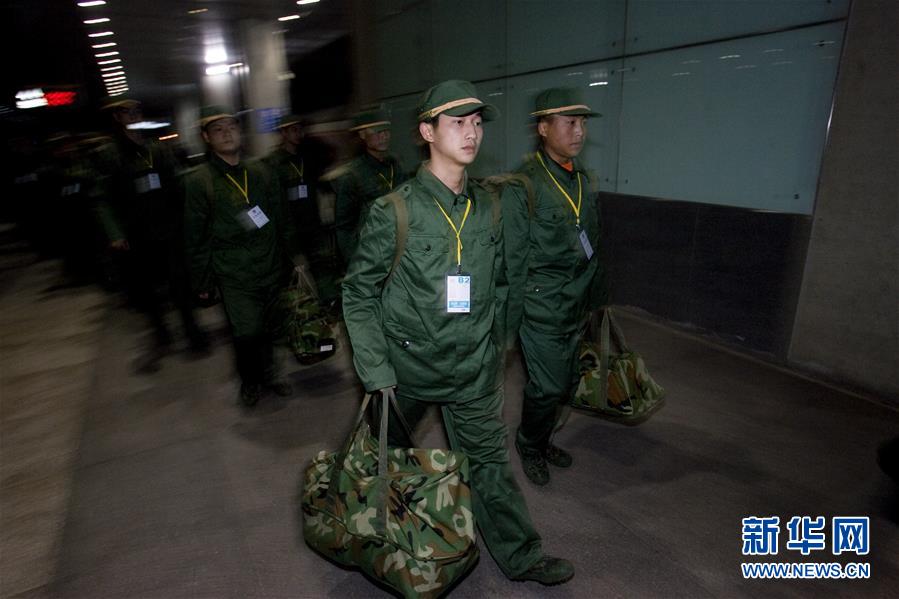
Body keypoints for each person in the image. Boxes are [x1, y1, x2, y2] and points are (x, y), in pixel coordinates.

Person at [342, 80, 574, 586]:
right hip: (405, 373)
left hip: (472, 368)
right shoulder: (395, 211)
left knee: (491, 466)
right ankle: (361, 538)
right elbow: (358, 294)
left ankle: (521, 557)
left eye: (476, 123)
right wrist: (377, 372)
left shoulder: (489, 206)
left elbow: (505, 284)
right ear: (427, 131)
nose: (471, 133)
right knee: (378, 462)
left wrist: (499, 348)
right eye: (457, 122)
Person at [503, 88, 609, 486]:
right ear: (543, 128)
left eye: (582, 123)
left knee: (565, 382)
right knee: (546, 386)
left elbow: (593, 243)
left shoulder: (583, 178)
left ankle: (543, 437)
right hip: (541, 306)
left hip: (576, 303)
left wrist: (597, 302)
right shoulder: (523, 185)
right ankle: (529, 444)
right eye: (569, 122)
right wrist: (508, 324)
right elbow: (513, 259)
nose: (579, 131)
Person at [183, 106, 300, 407]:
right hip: (234, 273)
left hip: (271, 265)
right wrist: (202, 281)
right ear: (206, 137)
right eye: (217, 129)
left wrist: (291, 259)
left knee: (273, 326)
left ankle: (272, 374)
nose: (226, 132)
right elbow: (195, 236)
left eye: (231, 126)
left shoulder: (261, 171)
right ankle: (250, 380)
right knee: (247, 332)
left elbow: (282, 218)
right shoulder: (200, 181)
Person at [91, 97, 208, 373]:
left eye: (136, 110)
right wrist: (115, 233)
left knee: (180, 284)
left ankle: (192, 332)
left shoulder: (156, 148)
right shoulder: (109, 155)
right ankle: (161, 335)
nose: (133, 115)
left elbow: (178, 181)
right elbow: (101, 198)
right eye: (126, 112)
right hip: (136, 233)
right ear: (117, 118)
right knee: (147, 289)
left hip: (168, 229)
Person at [332, 106, 405, 265]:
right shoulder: (352, 175)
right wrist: (353, 264)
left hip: (400, 249)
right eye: (377, 132)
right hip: (371, 256)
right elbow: (344, 226)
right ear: (362, 134)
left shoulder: (395, 165)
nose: (384, 136)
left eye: (386, 131)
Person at [264, 114, 321, 258]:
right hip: (290, 226)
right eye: (294, 130)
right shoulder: (274, 162)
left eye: (300, 130)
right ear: (283, 133)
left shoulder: (305, 157)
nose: (299, 134)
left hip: (310, 222)